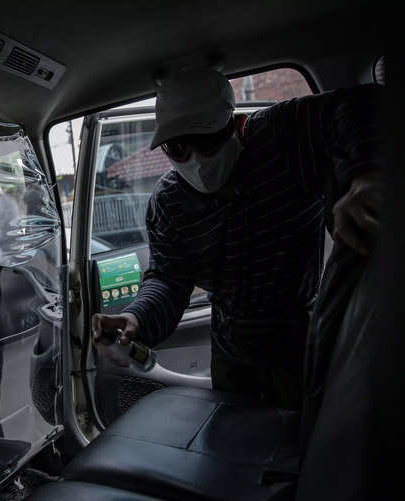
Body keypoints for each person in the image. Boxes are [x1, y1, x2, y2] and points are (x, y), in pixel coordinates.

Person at [92, 68, 383, 409]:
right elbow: (169, 280)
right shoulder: (169, 204)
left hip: (298, 336)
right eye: (178, 147)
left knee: (302, 442)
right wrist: (136, 318)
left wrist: (369, 175)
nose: (196, 160)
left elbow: (362, 106)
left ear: (238, 126)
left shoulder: (281, 141)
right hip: (230, 350)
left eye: (208, 141)